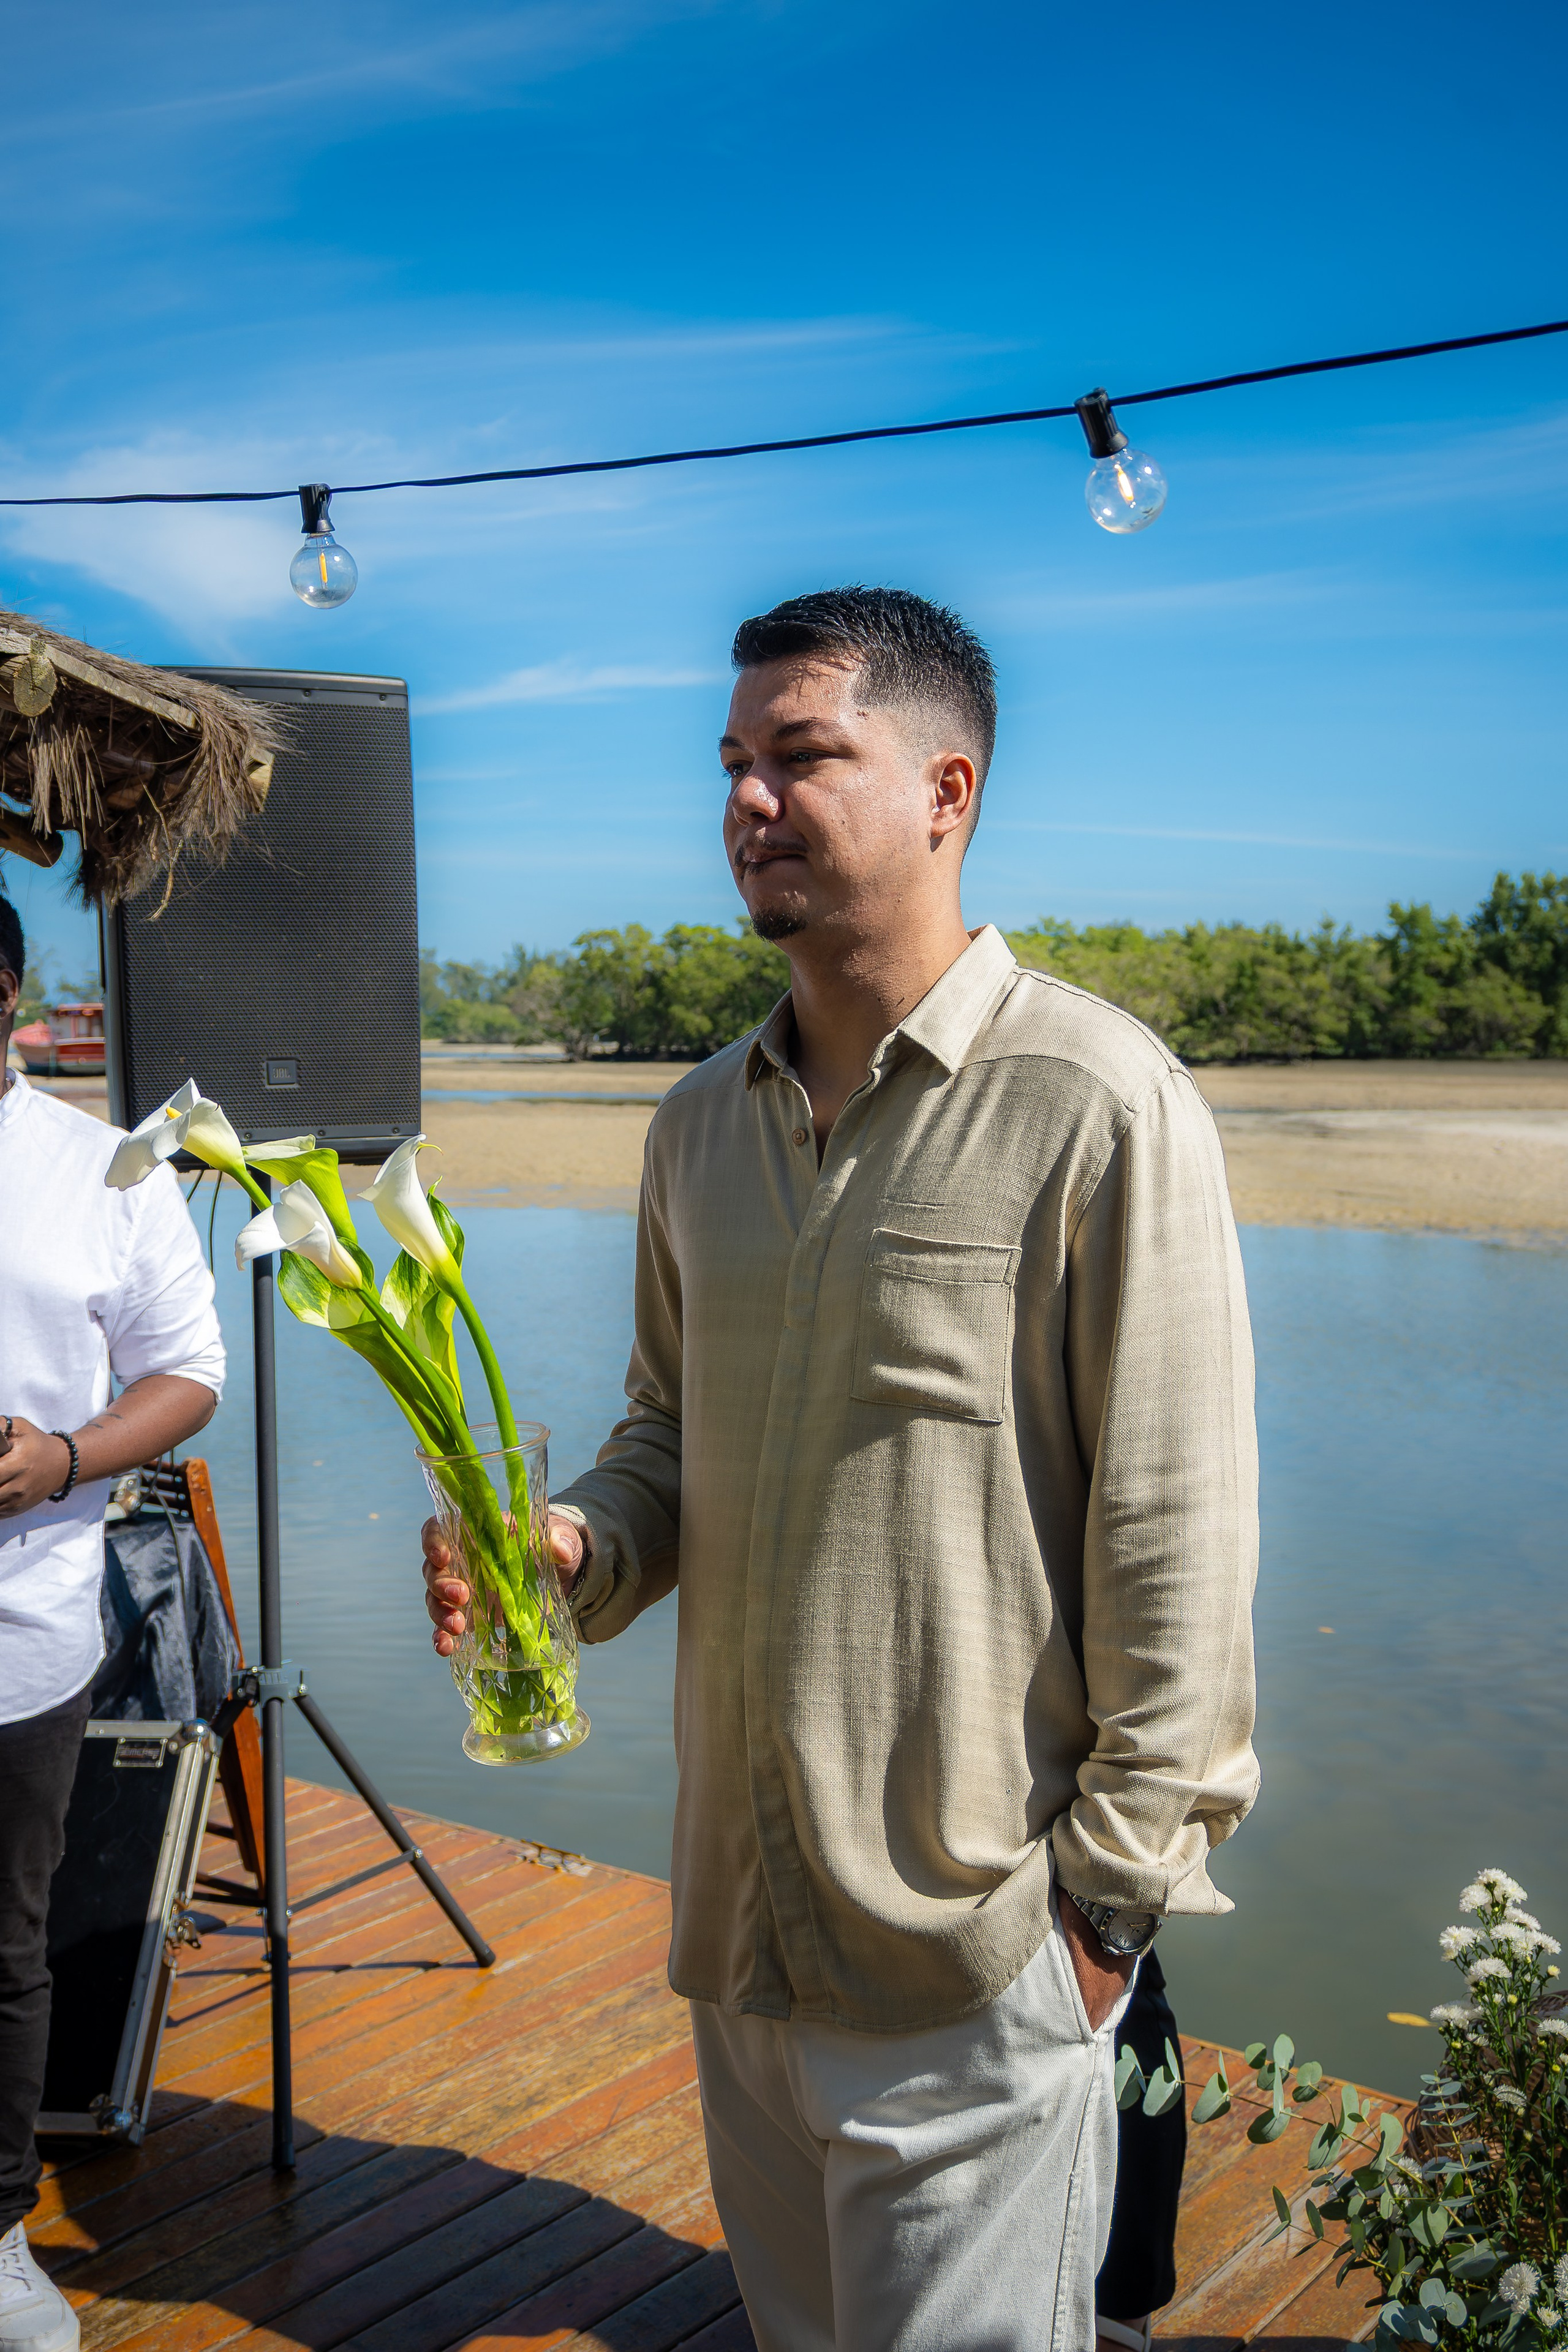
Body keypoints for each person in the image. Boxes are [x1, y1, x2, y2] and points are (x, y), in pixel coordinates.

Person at [421, 588, 1259, 2352]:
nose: (748, 798)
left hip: (976, 1963)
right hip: (737, 1935)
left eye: (803, 755)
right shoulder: (692, 1126)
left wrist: (1092, 1934)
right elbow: (667, 1438)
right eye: (733, 762)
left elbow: (1179, 1549)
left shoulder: (1101, 1101)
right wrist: (571, 1550)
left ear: (947, 790)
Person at [0, 892, 225, 2352]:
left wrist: (63, 1459)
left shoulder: (106, 1170)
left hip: (18, 1630)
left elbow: (188, 1370)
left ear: (8, 997)